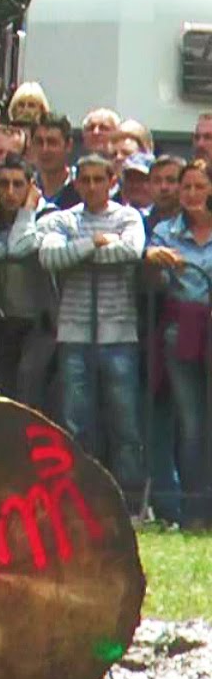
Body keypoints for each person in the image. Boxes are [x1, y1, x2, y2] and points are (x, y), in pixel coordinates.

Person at [38, 155, 146, 495]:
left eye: (99, 180)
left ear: (112, 181)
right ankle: (79, 499)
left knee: (124, 423)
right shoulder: (63, 219)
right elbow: (50, 257)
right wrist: (94, 243)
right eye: (86, 180)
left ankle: (129, 499)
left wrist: (79, 253)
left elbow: (131, 250)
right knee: (75, 422)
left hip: (119, 332)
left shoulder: (127, 216)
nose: (92, 187)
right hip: (74, 331)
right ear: (76, 181)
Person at [146, 161, 212, 525]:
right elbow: (152, 283)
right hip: (180, 333)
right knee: (191, 423)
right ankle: (194, 509)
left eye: (199, 187)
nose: (190, 194)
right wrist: (151, 263)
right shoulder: (165, 232)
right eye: (186, 187)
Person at [0, 158, 57, 410]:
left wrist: (28, 210)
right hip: (4, 321)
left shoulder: (47, 215)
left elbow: (19, 247)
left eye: (18, 185)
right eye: (4, 184)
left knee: (29, 387)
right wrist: (6, 247)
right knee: (1, 393)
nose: (10, 192)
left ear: (31, 187)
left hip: (42, 322)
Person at [29, 115, 79, 209]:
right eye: (39, 142)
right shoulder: (24, 187)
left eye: (52, 143)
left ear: (68, 145)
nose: (45, 149)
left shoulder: (82, 185)